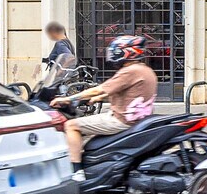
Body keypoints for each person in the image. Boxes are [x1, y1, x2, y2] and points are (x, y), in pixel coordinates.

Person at [58, 35, 157, 172]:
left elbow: (98, 89)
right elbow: (129, 91)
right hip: (137, 120)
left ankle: (76, 172)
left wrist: (67, 99)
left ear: (126, 52)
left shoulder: (130, 71)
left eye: (116, 50)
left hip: (120, 120)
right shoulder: (146, 70)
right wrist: (100, 97)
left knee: (71, 125)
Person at [33, 21, 77, 104]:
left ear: (54, 33)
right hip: (65, 75)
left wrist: (61, 70)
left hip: (60, 76)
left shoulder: (60, 44)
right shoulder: (68, 42)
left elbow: (69, 57)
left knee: (47, 92)